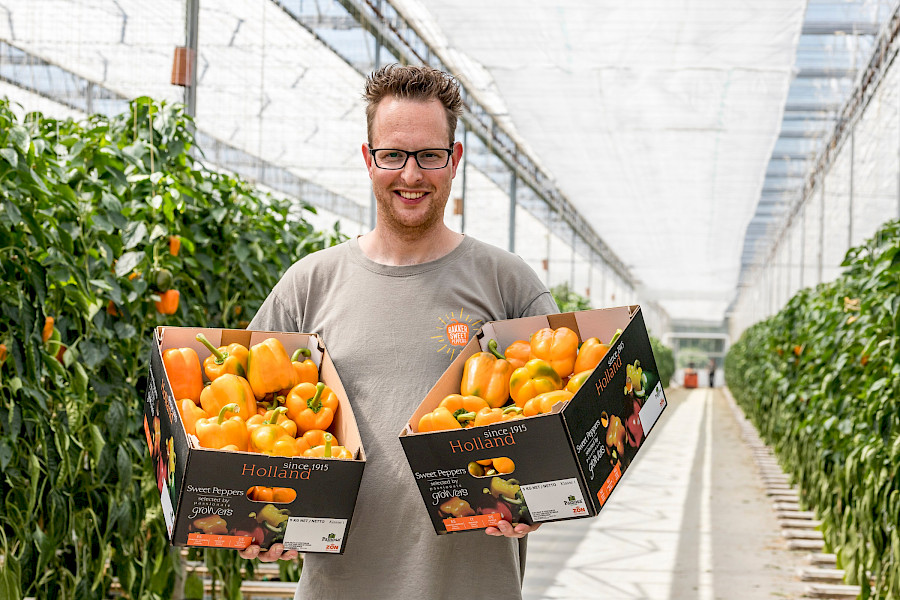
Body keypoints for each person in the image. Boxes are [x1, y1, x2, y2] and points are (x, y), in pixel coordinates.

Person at [239, 64, 558, 599]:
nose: (411, 175)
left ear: (454, 161)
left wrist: (541, 502)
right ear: (368, 159)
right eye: (393, 155)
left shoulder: (507, 283)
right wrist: (255, 523)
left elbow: (557, 420)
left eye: (429, 155)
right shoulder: (310, 285)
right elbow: (245, 437)